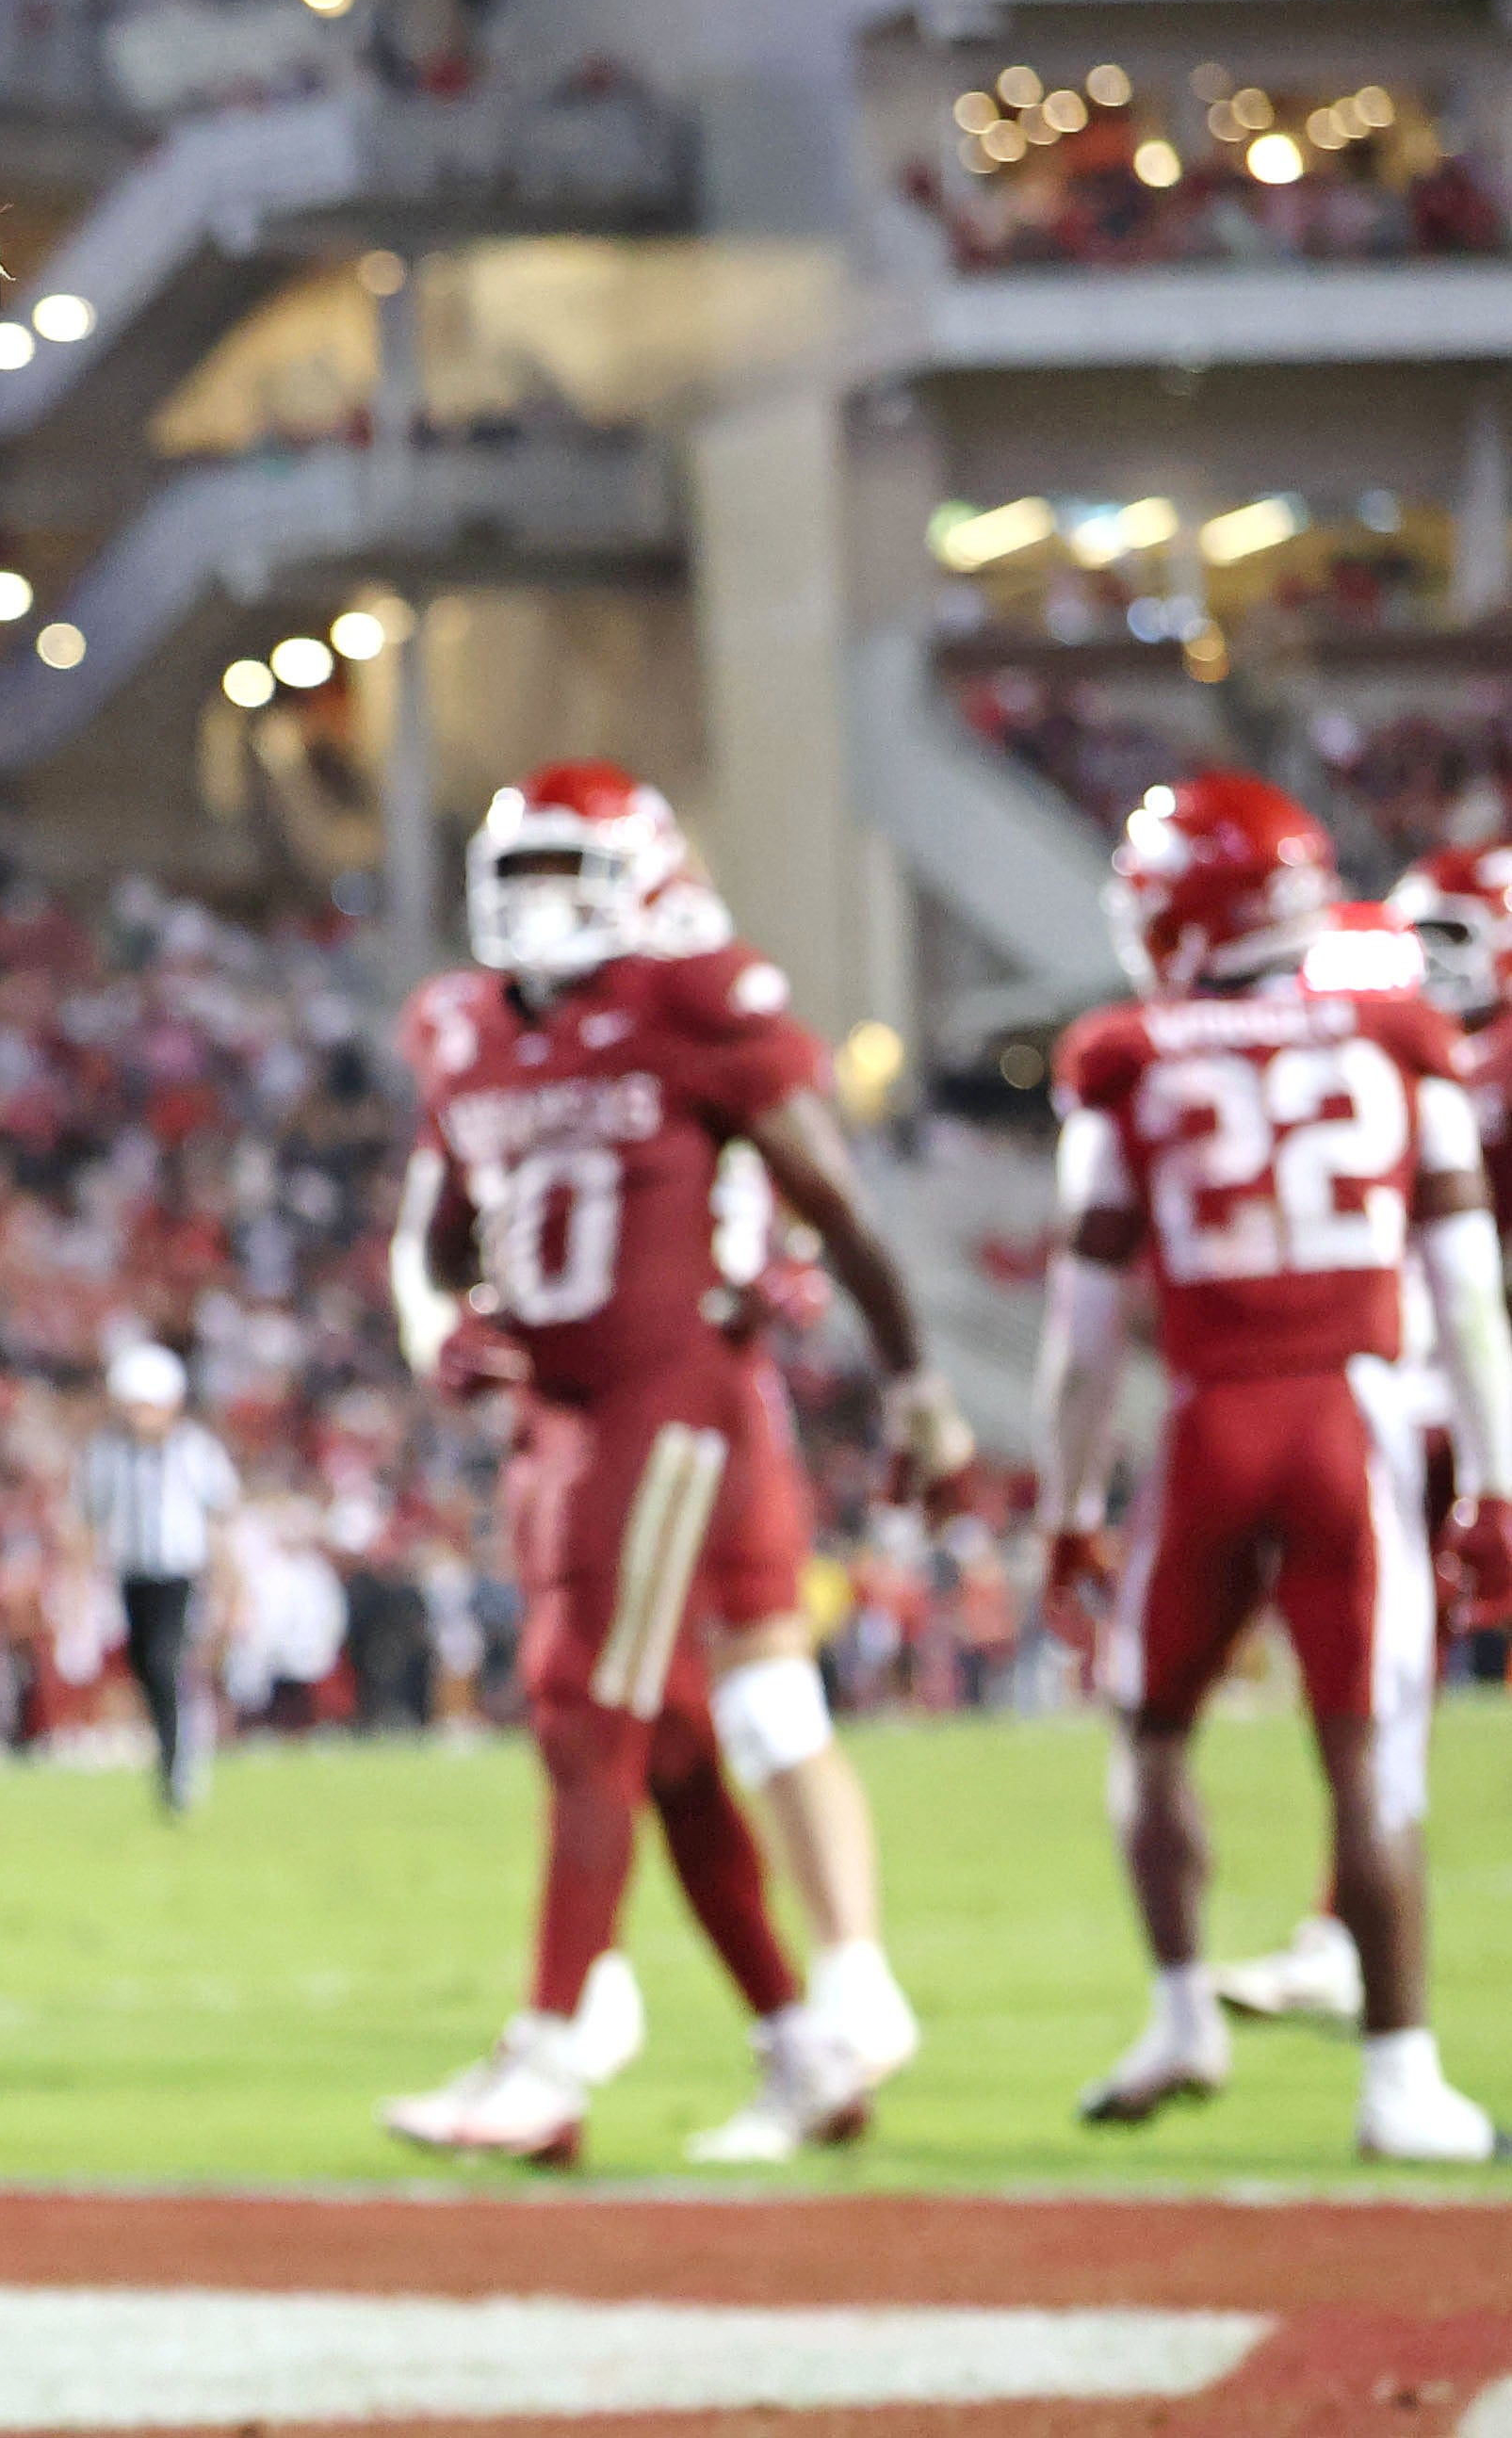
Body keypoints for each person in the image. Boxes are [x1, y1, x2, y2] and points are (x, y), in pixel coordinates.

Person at [380, 763, 953, 2168]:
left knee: (589, 1705)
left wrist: (915, 1374)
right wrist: (433, 1325)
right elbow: (432, 1235)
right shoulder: (464, 1027)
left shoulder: (692, 1000)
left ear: (637, 875)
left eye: (564, 872)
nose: (535, 907)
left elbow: (833, 1202)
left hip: (671, 1393)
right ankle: (797, 2038)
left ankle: (555, 2041)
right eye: (514, 876)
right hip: (553, 1414)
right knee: (676, 1739)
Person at [1038, 780, 1510, 2162]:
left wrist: (1067, 1505)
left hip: (1207, 1419)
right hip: (1351, 1417)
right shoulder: (1397, 1040)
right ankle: (1398, 2079)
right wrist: (1491, 1480)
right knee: (1362, 1756)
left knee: (1150, 1724)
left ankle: (1181, 2011)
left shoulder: (1128, 1054)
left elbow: (1079, 1336)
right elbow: (1467, 1299)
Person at [1214, 848, 1512, 2028]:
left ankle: (1346, 1938)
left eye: (1445, 939)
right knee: (1382, 1674)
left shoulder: (1459, 1064)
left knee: (1383, 1672)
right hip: (1437, 1396)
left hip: (1456, 1395)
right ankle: (1345, 1932)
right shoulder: (1417, 1057)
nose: (1419, 971)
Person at [75, 1341, 230, 1813]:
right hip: (130, 1576)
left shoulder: (196, 1451)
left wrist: (230, 1588)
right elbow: (87, 1520)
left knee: (167, 1667)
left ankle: (179, 1767)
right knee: (146, 1671)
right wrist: (79, 1584)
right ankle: (172, 1759)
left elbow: (220, 1522)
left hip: (180, 1577)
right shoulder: (106, 1454)